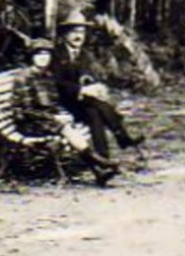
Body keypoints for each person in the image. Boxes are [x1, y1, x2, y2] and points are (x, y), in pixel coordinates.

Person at [16, 38, 119, 186]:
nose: (43, 57)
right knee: (66, 129)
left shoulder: (47, 76)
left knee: (70, 125)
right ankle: (99, 163)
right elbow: (25, 111)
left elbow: (53, 103)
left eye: (46, 54)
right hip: (29, 123)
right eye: (38, 54)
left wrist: (62, 114)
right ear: (32, 57)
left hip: (47, 121)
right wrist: (53, 117)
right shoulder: (24, 78)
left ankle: (99, 170)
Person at [53, 10, 146, 166]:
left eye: (81, 32)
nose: (78, 36)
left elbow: (87, 75)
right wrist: (81, 90)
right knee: (97, 106)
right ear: (64, 35)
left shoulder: (83, 54)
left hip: (80, 104)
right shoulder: (56, 54)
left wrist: (93, 84)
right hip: (61, 104)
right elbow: (56, 82)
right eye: (74, 32)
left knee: (94, 113)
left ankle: (103, 159)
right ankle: (122, 137)